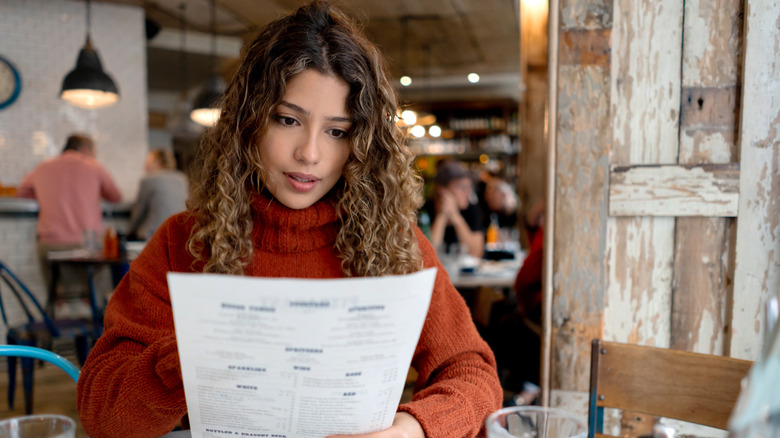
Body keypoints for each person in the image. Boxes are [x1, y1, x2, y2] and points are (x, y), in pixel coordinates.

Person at [76, 2, 502, 437]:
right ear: (249, 122)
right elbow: (101, 413)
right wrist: (193, 355)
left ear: (361, 143)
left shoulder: (394, 243)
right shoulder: (183, 241)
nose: (310, 154)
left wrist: (415, 427)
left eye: (337, 131)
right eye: (287, 119)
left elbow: (473, 373)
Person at [17, 134, 122, 286]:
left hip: (50, 244)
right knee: (96, 287)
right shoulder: (94, 166)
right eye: (94, 152)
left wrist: (47, 195)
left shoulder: (42, 167)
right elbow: (116, 197)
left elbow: (22, 193)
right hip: (87, 245)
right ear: (85, 149)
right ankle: (91, 304)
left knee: (58, 292)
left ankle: (58, 305)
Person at [425, 160, 485, 258]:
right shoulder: (425, 210)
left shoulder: (472, 209)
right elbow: (428, 255)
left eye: (469, 187)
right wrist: (442, 216)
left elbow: (476, 253)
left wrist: (455, 217)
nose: (467, 192)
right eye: (461, 187)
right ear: (442, 189)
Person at [127, 149, 189, 241]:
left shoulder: (148, 180)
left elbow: (138, 212)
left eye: (148, 161)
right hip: (178, 234)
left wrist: (130, 231)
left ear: (156, 161)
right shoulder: (182, 179)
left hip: (152, 235)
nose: (145, 165)